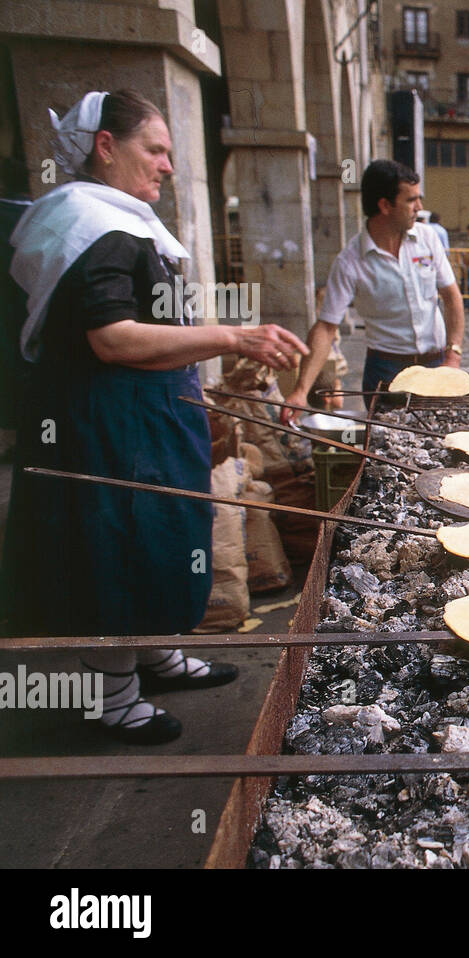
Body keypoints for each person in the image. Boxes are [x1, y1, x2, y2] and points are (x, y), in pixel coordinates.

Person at [2, 89, 307, 743]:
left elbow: (158, 321)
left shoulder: (119, 219)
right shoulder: (92, 224)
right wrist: (232, 337)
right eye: (156, 149)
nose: (168, 166)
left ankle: (152, 656)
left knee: (166, 531)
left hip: (150, 415)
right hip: (108, 425)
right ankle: (110, 695)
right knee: (120, 545)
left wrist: (219, 355)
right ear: (106, 148)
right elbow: (113, 338)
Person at [286, 160, 464, 404]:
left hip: (435, 366)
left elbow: (452, 297)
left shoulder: (427, 239)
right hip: (386, 372)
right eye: (411, 200)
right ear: (385, 205)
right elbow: (326, 328)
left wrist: (453, 355)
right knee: (387, 439)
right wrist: (300, 390)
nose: (419, 207)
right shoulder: (350, 262)